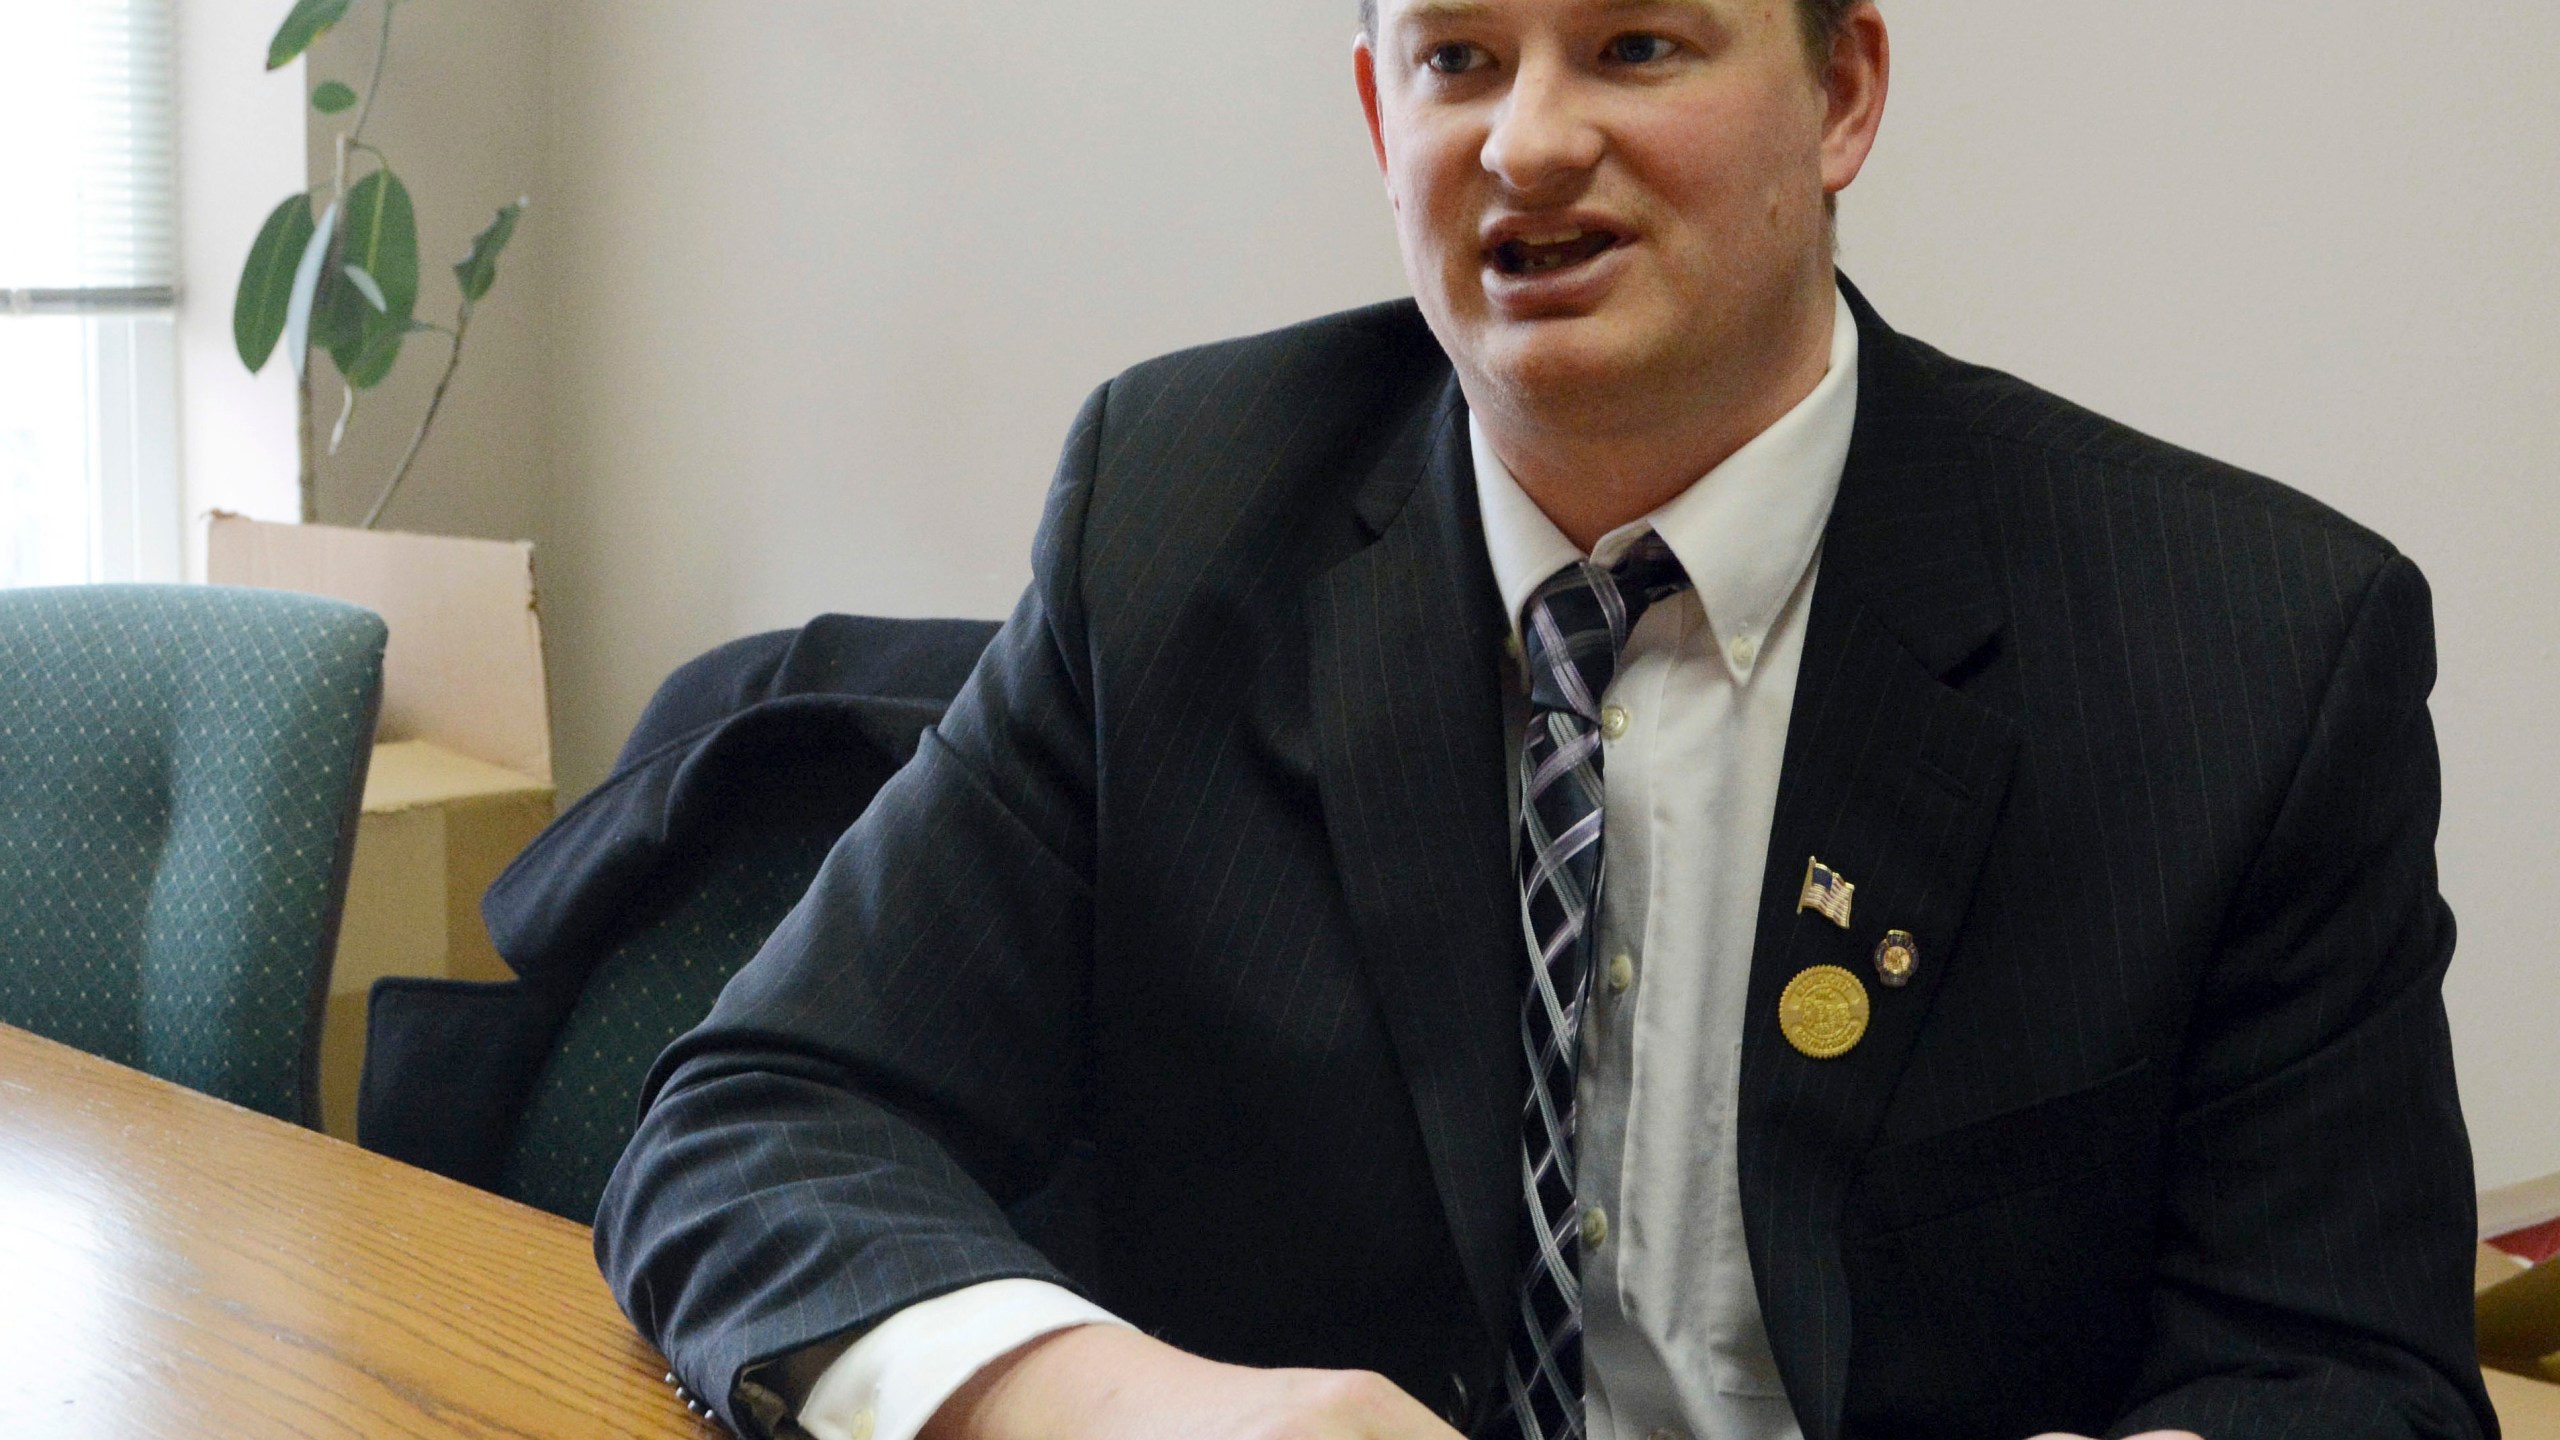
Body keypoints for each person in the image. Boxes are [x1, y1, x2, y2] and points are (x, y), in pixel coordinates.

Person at [595, 3, 2492, 1438]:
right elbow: (759, 1115)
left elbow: (2350, 1380)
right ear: (1376, 115)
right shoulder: (1171, 522)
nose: (1531, 140)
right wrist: (1139, 1409)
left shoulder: (2246, 652)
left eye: (1638, 44)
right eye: (1458, 58)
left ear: (1843, 98)